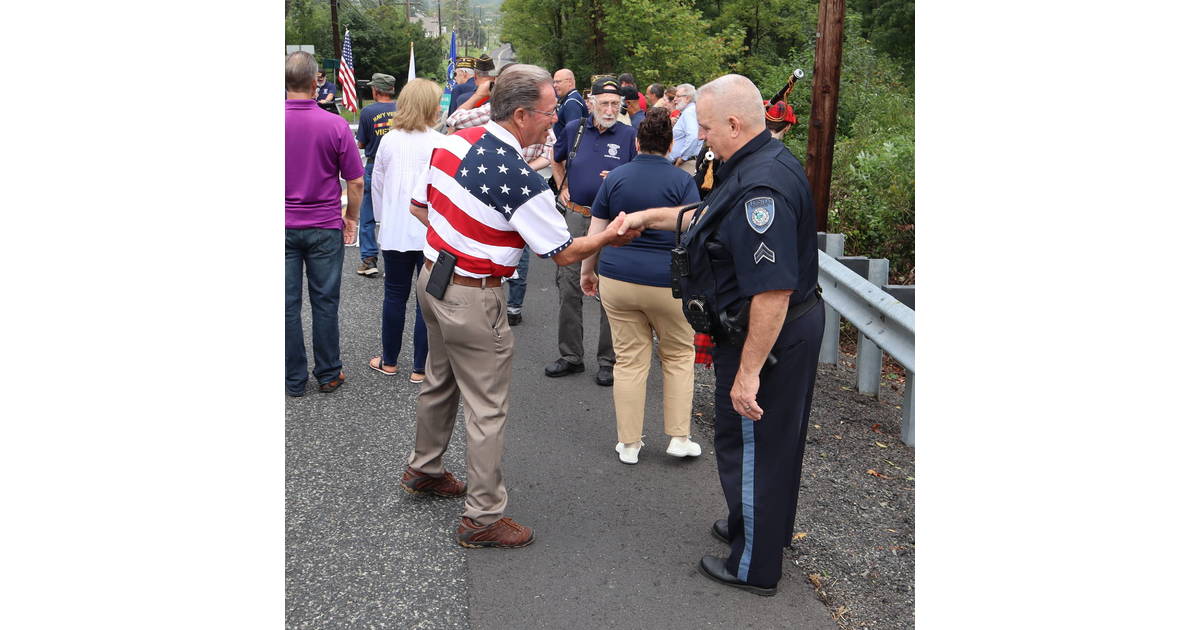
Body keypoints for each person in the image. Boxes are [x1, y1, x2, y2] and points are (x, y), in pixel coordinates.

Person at [403, 64, 642, 549]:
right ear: (520, 115)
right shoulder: (519, 179)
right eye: (550, 112)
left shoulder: (452, 141)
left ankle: (424, 468)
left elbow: (419, 207)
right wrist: (614, 233)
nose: (555, 120)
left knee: (438, 379)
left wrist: (461, 232)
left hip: (431, 276)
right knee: (487, 409)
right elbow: (563, 252)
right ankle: (482, 517)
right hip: (474, 292)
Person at [617, 74, 824, 596]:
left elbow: (772, 291)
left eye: (706, 127)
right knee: (762, 441)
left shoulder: (762, 188)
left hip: (768, 336)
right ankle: (754, 526)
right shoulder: (751, 163)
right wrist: (648, 218)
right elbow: (705, 217)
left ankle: (754, 566)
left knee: (751, 442)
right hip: (760, 329)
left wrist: (749, 373)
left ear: (734, 123)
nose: (700, 136)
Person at [580, 108, 702, 465]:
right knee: (679, 356)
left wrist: (588, 271)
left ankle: (629, 444)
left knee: (629, 361)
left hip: (619, 279)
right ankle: (679, 437)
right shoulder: (682, 181)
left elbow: (597, 230)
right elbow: (692, 231)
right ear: (669, 145)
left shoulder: (616, 177)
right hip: (668, 283)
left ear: (636, 142)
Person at [284, 51, 364, 397]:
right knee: (325, 301)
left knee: (286, 305)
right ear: (317, 82)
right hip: (324, 224)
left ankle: (294, 379)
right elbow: (356, 182)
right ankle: (329, 373)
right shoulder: (335, 125)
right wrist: (351, 218)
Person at [548, 77, 637, 386]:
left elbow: (640, 176)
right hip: (576, 217)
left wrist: (621, 177)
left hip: (611, 223)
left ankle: (607, 360)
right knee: (569, 284)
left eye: (616, 104)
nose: (611, 109)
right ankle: (570, 355)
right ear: (591, 103)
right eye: (605, 103)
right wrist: (563, 186)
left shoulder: (629, 136)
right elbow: (554, 158)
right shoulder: (575, 130)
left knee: (607, 289)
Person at [367, 78, 443, 384]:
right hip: (428, 230)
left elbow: (378, 186)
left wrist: (385, 220)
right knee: (426, 300)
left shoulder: (389, 140)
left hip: (396, 230)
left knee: (394, 296)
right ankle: (420, 367)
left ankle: (389, 361)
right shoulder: (439, 142)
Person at [354, 73, 398, 278]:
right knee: (397, 212)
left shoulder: (368, 111)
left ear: (376, 90)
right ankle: (396, 258)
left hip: (374, 166)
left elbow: (361, 143)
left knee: (368, 214)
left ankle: (369, 259)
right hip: (399, 166)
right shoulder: (402, 109)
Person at [666, 83, 702, 174]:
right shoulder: (689, 111)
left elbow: (694, 136)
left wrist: (682, 158)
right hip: (685, 163)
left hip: (686, 164)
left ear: (688, 98)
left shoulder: (689, 112)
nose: (674, 99)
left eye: (678, 96)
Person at [551, 68, 587, 141]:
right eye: (554, 82)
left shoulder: (571, 102)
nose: (554, 85)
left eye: (558, 82)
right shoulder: (570, 99)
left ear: (570, 82)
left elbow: (573, 134)